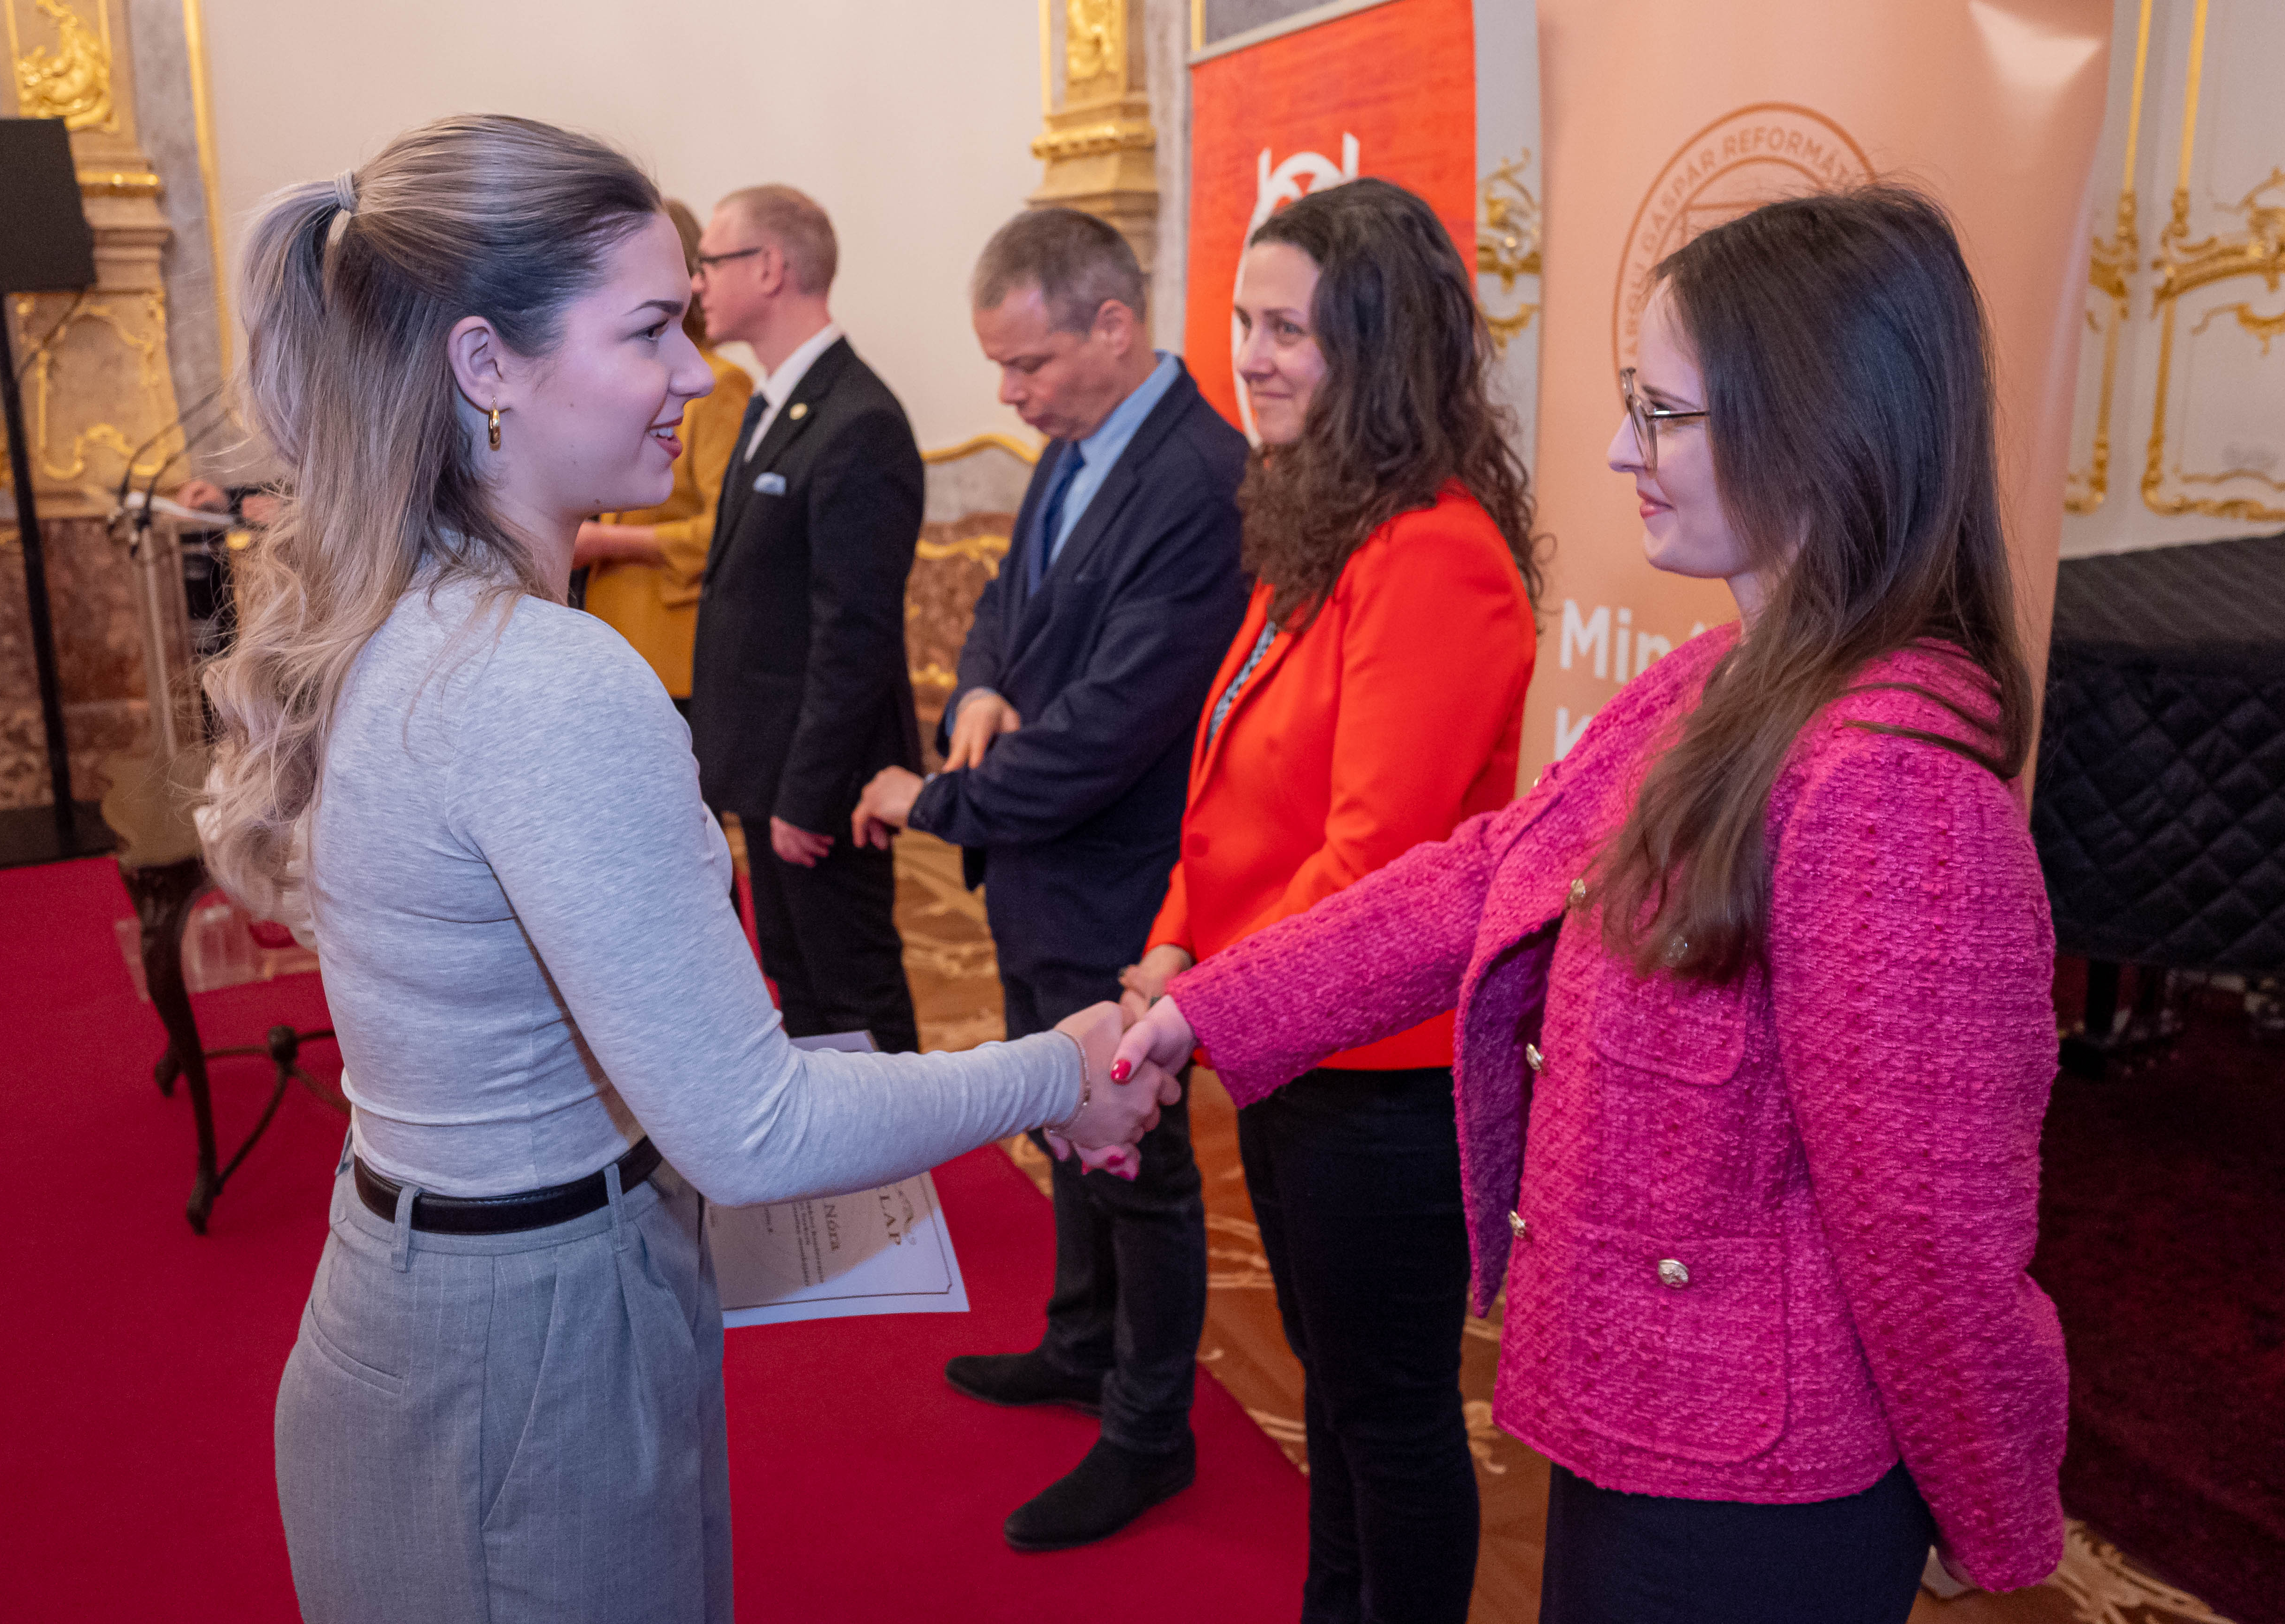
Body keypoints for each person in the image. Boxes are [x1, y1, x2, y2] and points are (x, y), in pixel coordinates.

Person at [196, 115, 1174, 1624]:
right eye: (648, 328)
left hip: (437, 1293)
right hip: (527, 1346)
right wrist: (1058, 1069)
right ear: (486, 364)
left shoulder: (403, 611)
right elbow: (754, 1127)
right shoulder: (541, 676)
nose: (695, 370)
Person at [1114, 185, 2069, 1624]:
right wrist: (1197, 1011)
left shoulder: (1891, 782)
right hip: (1645, 1417)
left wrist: (1990, 1506)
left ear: (1818, 427)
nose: (1623, 449)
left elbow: (1932, 1234)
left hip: (1755, 1483)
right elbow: (1480, 872)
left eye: (1664, 414)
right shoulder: (1717, 681)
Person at [1112, 176, 1541, 1623]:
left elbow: (1370, 863)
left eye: (1286, 328)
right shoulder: (1325, 524)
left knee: (1390, 1414)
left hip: (1381, 1078)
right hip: (1284, 1038)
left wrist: (1191, 999)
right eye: (1243, 322)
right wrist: (1172, 943)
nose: (1250, 355)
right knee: (1335, 1393)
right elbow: (1227, 786)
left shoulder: (1435, 553)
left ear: (1380, 345)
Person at [849, 206, 1249, 1551]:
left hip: (1118, 886)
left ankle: (1150, 1429)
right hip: (1045, 875)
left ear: (1112, 326)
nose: (1008, 396)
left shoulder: (1199, 480)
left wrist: (929, 799)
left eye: (1026, 364)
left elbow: (1106, 731)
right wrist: (975, 688)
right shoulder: (1082, 441)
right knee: (1064, 1127)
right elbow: (1003, 611)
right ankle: (1081, 1346)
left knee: (1136, 1159)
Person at [689, 184, 924, 1052]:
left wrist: (806, 795)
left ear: (769, 268)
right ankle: (837, 1144)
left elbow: (852, 636)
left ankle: (897, 1145)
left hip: (824, 780)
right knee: (801, 986)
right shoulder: (774, 402)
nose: (696, 283)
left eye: (710, 262)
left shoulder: (857, 420)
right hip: (771, 766)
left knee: (852, 989)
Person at [572, 198, 755, 719]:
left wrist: (606, 542)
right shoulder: (620, 378)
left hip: (674, 645)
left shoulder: (718, 384)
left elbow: (729, 532)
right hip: (608, 629)